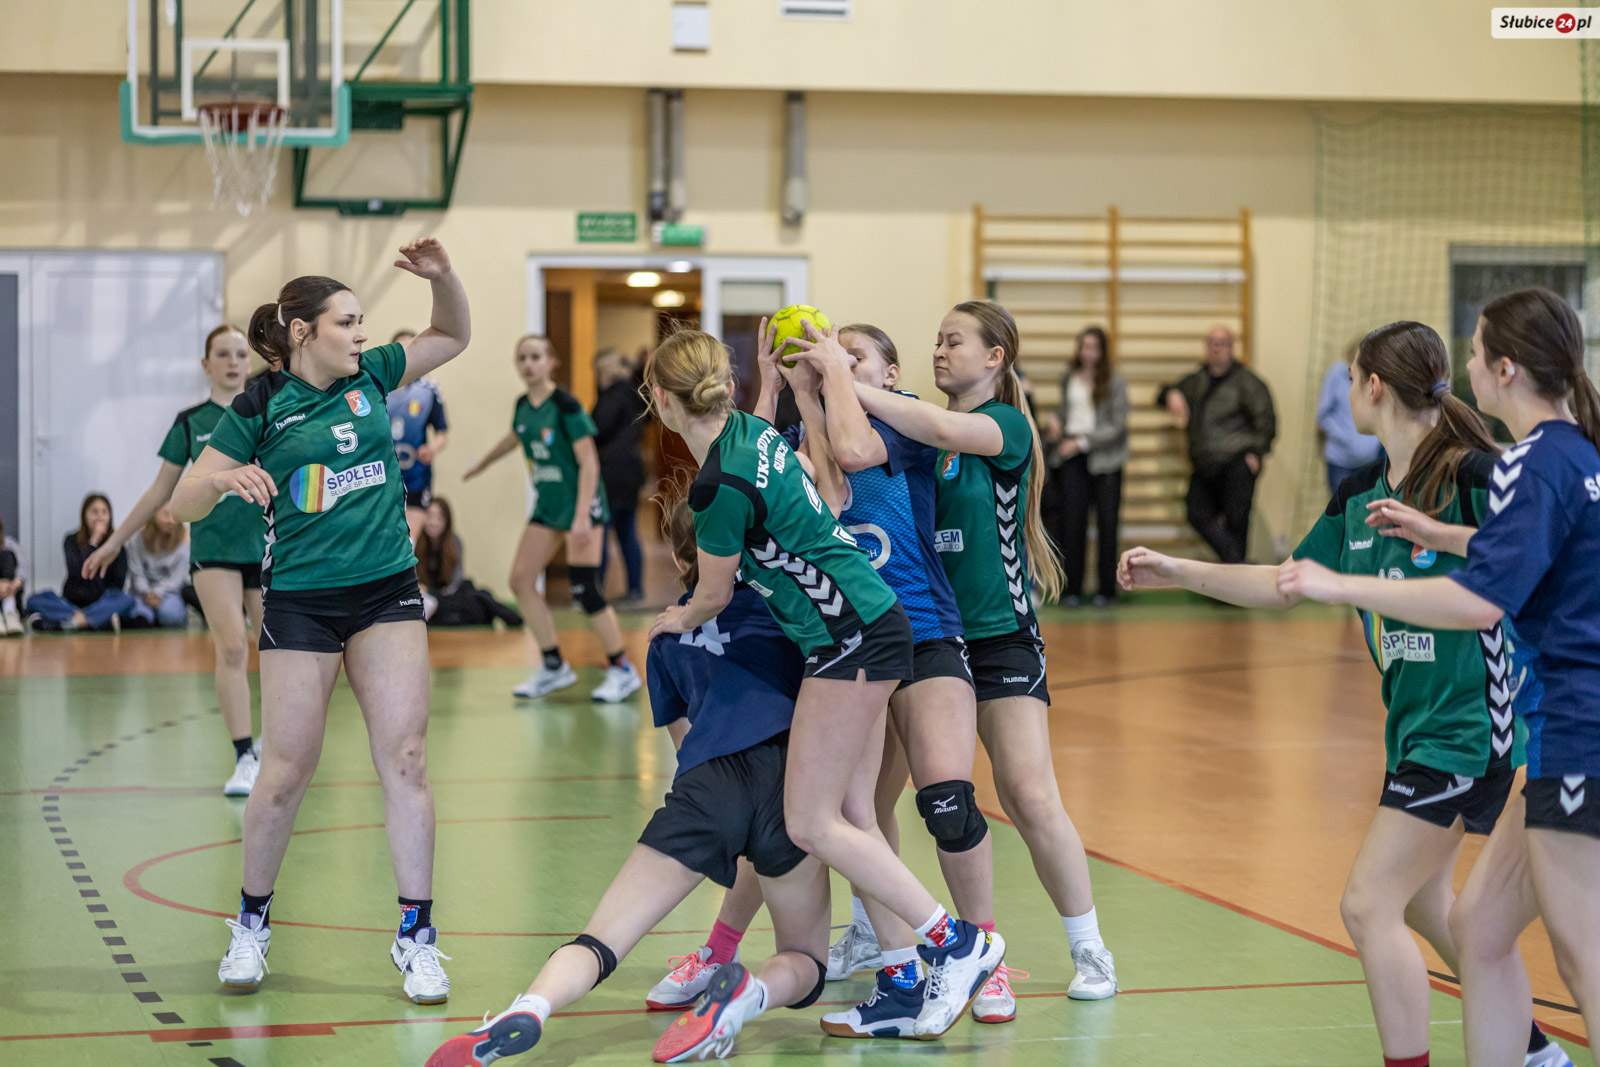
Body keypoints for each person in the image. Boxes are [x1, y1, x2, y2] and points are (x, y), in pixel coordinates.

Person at [1121, 320, 1569, 1067]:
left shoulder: (1476, 477)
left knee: (1367, 903)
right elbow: (1287, 581)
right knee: (1423, 903)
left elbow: (1545, 559)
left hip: (1470, 731)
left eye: (1352, 378)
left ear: (1374, 386)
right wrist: (1178, 570)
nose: (1348, 390)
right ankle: (1532, 1051)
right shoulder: (1360, 492)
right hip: (1416, 729)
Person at [642, 327, 1005, 1039]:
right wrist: (781, 387)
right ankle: (902, 980)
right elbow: (820, 482)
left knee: (810, 821)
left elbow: (712, 593)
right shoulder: (755, 435)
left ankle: (957, 942)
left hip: (852, 634)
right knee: (850, 815)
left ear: (660, 399)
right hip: (860, 625)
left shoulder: (717, 487)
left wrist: (674, 619)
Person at [1279, 289, 1600, 1066]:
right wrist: (1440, 532)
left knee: (1584, 956)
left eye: (1477, 350)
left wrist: (1343, 583)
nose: (1467, 367)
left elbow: (1478, 601)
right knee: (1479, 926)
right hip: (1558, 733)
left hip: (1580, 728)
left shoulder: (1531, 461)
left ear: (1505, 368)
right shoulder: (1569, 455)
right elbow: (1537, 549)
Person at [426, 489, 832, 1067]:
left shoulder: (664, 638)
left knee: (598, 942)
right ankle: (748, 994)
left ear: (680, 559)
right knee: (807, 960)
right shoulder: (783, 606)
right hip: (790, 786)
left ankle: (530, 1008)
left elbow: (686, 749)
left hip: (706, 787)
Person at [790, 301, 1118, 1009]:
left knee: (1028, 794)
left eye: (954, 341)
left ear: (995, 357)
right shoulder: (911, 430)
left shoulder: (1001, 425)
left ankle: (1088, 944)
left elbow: (938, 426)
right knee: (867, 805)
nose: (940, 350)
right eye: (935, 341)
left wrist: (843, 377)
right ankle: (873, 932)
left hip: (994, 635)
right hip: (915, 634)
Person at [170, 238, 470, 1004]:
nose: (362, 334)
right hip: (301, 601)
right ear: (303, 331)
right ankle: (251, 924)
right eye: (347, 322)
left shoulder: (374, 374)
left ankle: (417, 936)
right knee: (283, 773)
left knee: (407, 758)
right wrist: (224, 478)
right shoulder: (260, 404)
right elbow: (184, 501)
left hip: (387, 591)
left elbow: (452, 335)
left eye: (363, 321)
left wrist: (444, 278)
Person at [82, 324, 267, 795]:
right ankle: (244, 756)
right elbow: (159, 492)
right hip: (214, 552)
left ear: (250, 362)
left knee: (280, 651)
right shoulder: (190, 422)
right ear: (206, 364)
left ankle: (275, 743)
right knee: (232, 649)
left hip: (269, 549)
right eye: (222, 354)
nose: (233, 362)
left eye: (240, 354)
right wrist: (114, 542)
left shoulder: (267, 411)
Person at [462, 335, 641, 703]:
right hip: (548, 506)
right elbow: (516, 437)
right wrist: (483, 463)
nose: (528, 364)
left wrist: (582, 516)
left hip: (581, 505)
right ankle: (554, 665)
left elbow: (589, 462)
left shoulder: (565, 405)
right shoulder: (522, 406)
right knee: (521, 580)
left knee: (585, 590)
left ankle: (622, 669)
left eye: (535, 356)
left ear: (551, 362)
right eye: (522, 358)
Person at [1156, 326, 1276, 563]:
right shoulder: (1197, 380)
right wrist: (1171, 393)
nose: (1216, 348)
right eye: (1212, 343)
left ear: (1231, 347)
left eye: (1221, 343)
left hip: (1236, 463)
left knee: (1237, 521)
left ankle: (1236, 573)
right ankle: (1237, 564)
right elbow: (1163, 394)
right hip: (1205, 465)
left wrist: (1256, 453)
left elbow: (1266, 421)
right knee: (1196, 512)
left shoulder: (1247, 382)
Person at [1047, 326, 1129, 606]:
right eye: (1084, 346)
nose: (1088, 353)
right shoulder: (1069, 376)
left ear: (1103, 351)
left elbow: (1117, 425)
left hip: (1106, 460)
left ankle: (1107, 590)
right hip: (1072, 459)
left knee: (1107, 525)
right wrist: (1056, 420)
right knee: (1073, 524)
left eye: (1093, 347)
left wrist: (1082, 442)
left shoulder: (1115, 381)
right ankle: (1072, 589)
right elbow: (1068, 410)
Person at [26, 494, 137, 631]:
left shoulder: (117, 547)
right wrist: (93, 542)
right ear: (84, 515)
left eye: (104, 512)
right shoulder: (71, 540)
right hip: (72, 602)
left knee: (127, 600)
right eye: (94, 512)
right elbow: (78, 572)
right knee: (34, 599)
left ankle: (69, 622)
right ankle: (90, 621)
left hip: (102, 602)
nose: (100, 517)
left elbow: (117, 585)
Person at [592, 346, 648, 604]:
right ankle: (635, 590)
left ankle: (595, 592)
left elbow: (597, 429)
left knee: (600, 534)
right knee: (628, 533)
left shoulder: (612, 397)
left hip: (610, 473)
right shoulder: (635, 395)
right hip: (631, 471)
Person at [415, 497, 523, 628]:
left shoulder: (454, 542)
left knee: (479, 594)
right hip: (430, 599)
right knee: (474, 601)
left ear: (447, 521)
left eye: (439, 517)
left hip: (450, 594)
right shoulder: (416, 544)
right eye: (430, 516)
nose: (433, 522)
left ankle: (509, 616)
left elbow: (456, 582)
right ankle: (492, 613)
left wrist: (434, 592)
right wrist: (428, 592)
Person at [385, 328, 450, 543]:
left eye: (411, 348)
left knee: (409, 540)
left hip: (416, 477)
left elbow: (442, 433)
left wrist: (432, 449)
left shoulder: (428, 391)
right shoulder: (379, 389)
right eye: (400, 349)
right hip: (384, 475)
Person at [1319, 347, 1384, 494]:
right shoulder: (1337, 373)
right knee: (1343, 505)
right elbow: (1323, 417)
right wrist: (1346, 438)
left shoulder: (1376, 381)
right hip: (1340, 461)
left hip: (1369, 462)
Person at [125, 505, 191, 628]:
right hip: (141, 593)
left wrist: (156, 593)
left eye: (175, 516)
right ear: (154, 513)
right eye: (166, 514)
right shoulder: (136, 541)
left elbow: (176, 579)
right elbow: (136, 574)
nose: (171, 520)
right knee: (141, 618)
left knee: (171, 616)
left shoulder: (184, 542)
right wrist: (147, 593)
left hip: (169, 593)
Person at [0, 514, 26, 636]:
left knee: (6, 555)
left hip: (11, 593)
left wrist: (11, 586)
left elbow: (22, 571)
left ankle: (10, 613)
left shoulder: (10, 544)